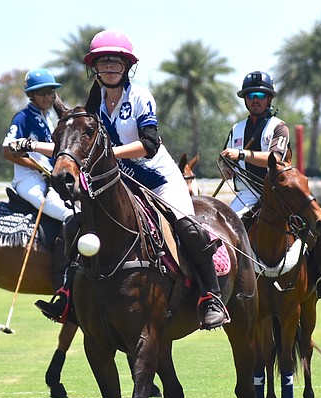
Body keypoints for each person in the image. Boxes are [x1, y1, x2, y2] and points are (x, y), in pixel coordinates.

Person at [33, 29, 230, 330]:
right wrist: (36, 146)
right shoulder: (94, 104)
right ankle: (69, 296)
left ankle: (210, 297)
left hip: (159, 179)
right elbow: (74, 143)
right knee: (74, 226)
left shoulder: (140, 97)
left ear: (126, 66)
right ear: (95, 67)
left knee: (188, 228)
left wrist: (110, 153)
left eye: (115, 61)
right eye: (103, 62)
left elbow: (149, 144)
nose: (109, 67)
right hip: (118, 183)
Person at [219, 70, 321, 302]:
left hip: (279, 193)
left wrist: (241, 154)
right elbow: (227, 162)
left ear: (269, 99)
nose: (255, 99)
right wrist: (226, 165)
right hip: (245, 194)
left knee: (317, 223)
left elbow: (275, 158)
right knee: (220, 233)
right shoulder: (236, 129)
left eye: (260, 95)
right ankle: (221, 287)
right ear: (245, 99)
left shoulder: (278, 127)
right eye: (251, 94)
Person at [3, 68, 73, 297]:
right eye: (41, 93)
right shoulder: (23, 117)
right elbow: (7, 150)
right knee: (68, 216)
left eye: (50, 92)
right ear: (31, 95)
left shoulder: (48, 119)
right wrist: (38, 167)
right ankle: (61, 282)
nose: (47, 97)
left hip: (49, 178)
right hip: (28, 180)